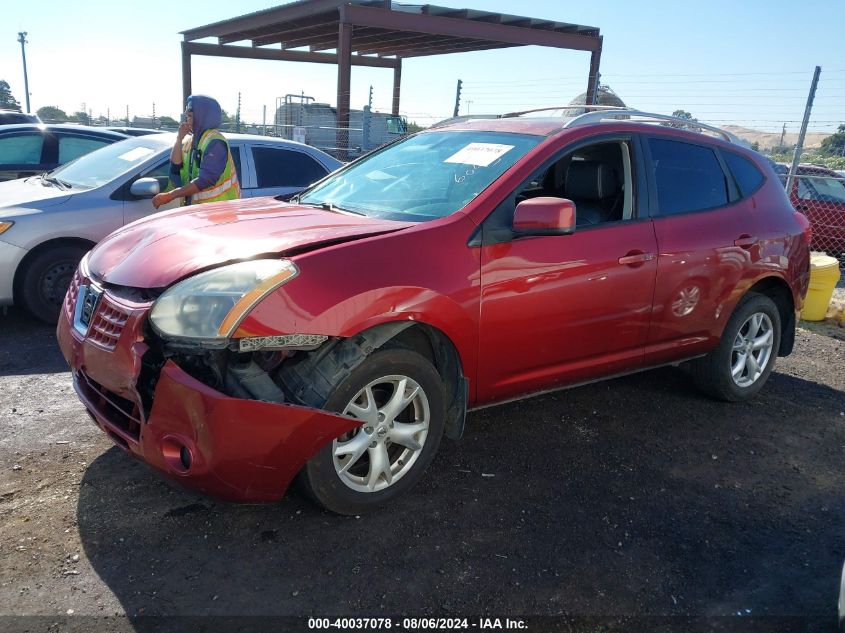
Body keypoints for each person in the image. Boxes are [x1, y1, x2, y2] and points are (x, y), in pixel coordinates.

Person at [152, 95, 240, 209]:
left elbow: (205, 180)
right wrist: (179, 139)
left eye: (190, 116)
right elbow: (175, 167)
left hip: (219, 213)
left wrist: (171, 195)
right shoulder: (191, 141)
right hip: (199, 213)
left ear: (202, 117)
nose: (187, 120)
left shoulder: (215, 142)